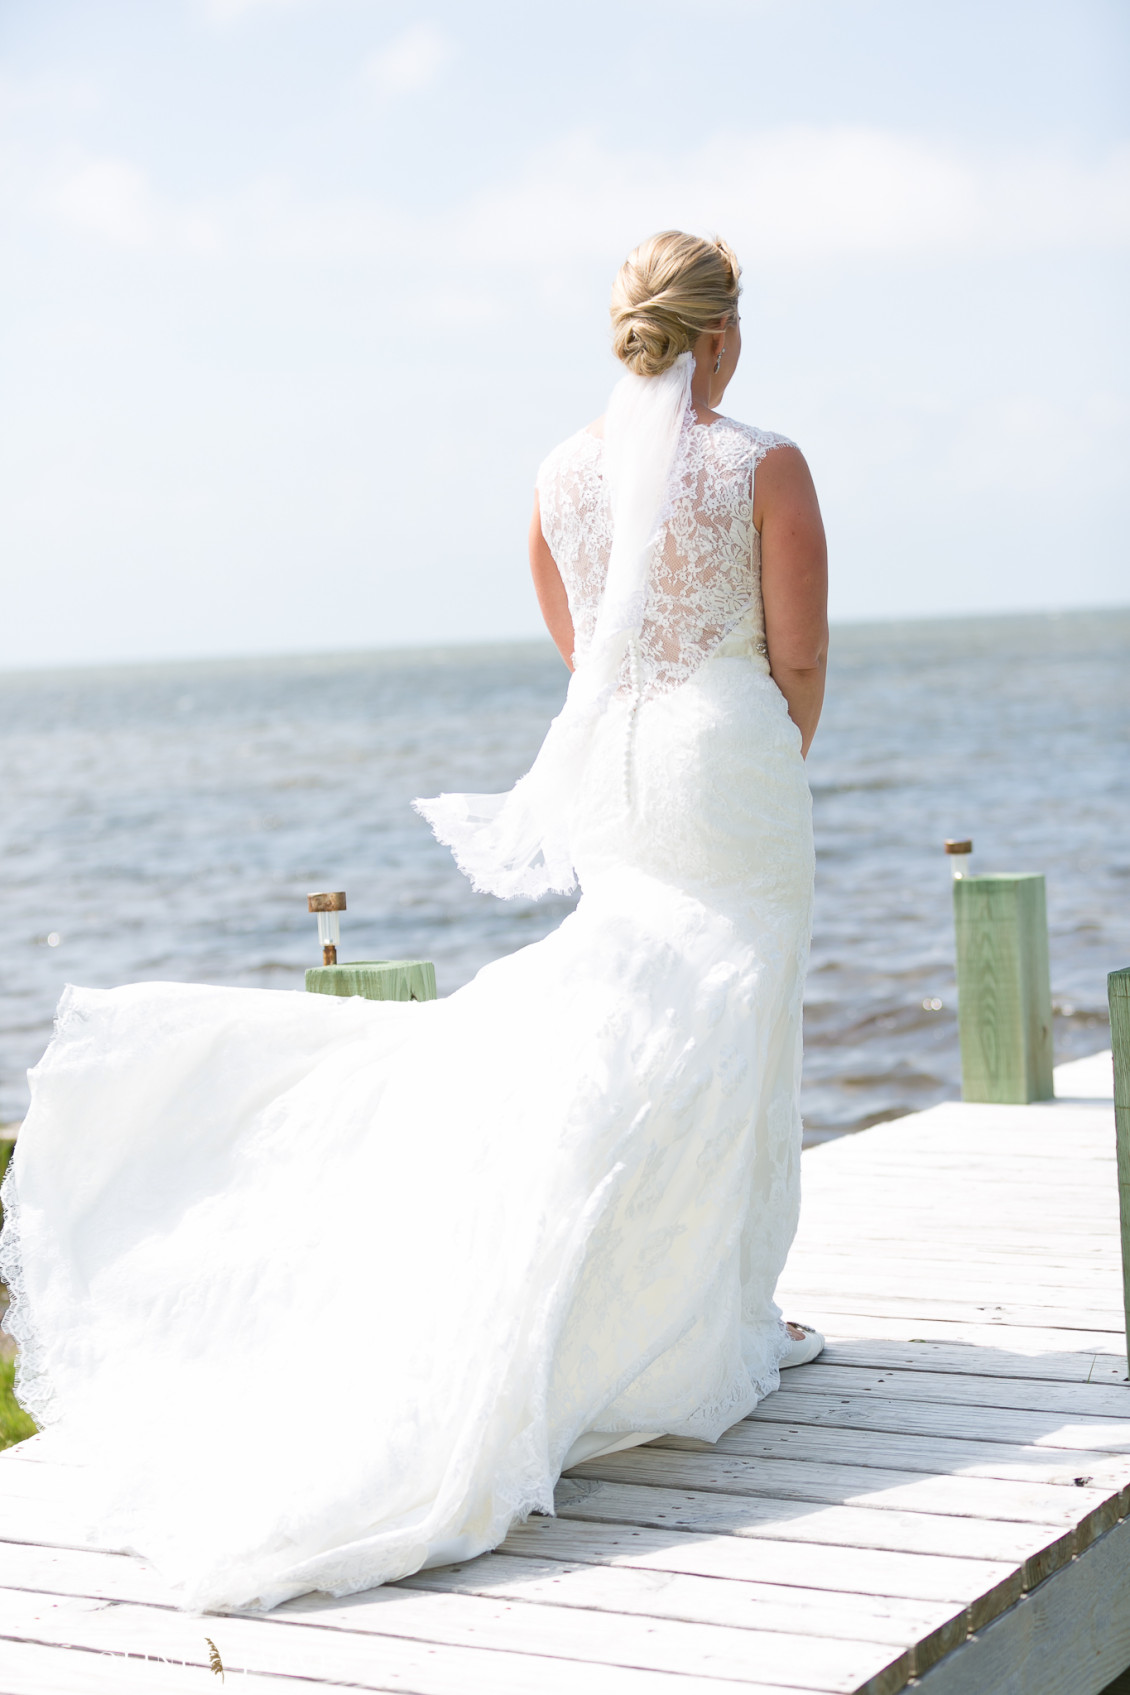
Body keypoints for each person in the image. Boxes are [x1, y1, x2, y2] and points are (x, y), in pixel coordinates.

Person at [0, 230, 828, 1615]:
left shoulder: (559, 475)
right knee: (731, 1027)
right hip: (722, 757)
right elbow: (795, 650)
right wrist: (764, 741)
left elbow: (581, 642)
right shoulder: (763, 463)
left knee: (629, 1022)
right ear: (723, 334)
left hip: (612, 763)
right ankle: (716, 1318)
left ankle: (664, 1310)